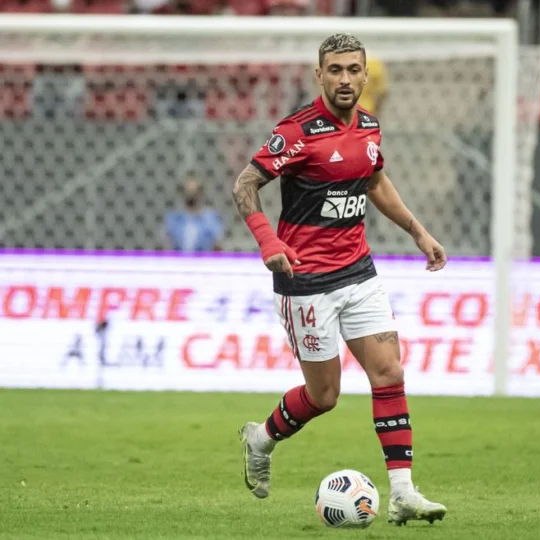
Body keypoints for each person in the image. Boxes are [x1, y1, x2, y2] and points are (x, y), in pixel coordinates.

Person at [232, 33, 448, 526]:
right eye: (335, 70)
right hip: (306, 281)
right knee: (324, 396)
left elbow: (374, 182)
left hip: (359, 272)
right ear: (319, 75)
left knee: (389, 373)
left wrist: (418, 231)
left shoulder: (370, 126)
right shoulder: (297, 131)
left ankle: (403, 492)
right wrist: (268, 241)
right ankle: (261, 437)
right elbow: (245, 183)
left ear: (365, 74)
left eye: (353, 69)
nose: (345, 79)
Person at [164, 178, 223, 252]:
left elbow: (217, 245)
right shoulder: (174, 218)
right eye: (188, 191)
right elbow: (167, 245)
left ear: (200, 194)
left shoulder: (210, 218)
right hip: (178, 260)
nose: (191, 195)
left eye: (194, 192)